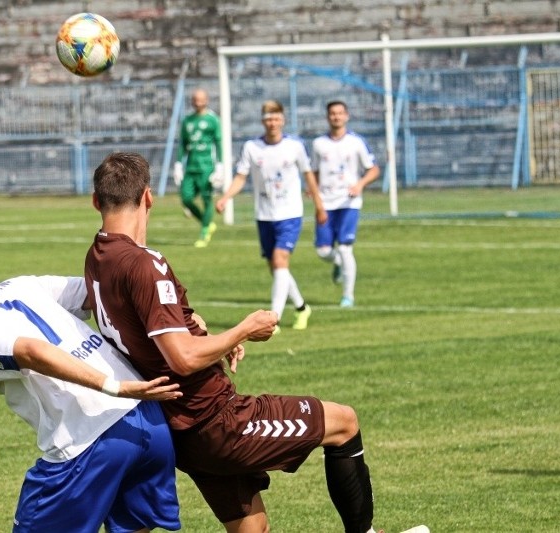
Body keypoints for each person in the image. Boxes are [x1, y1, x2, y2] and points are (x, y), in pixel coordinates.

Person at [85, 152, 384, 533]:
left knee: (251, 526)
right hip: (216, 420)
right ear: (148, 197)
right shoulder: (144, 263)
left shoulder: (97, 256)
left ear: (96, 201)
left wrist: (207, 334)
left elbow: (151, 323)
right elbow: (182, 356)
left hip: (179, 429)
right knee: (343, 422)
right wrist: (243, 329)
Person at [0, 260, 182, 533]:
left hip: (89, 440)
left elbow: (31, 352)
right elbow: (103, 292)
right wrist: (188, 321)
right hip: (149, 421)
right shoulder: (17, 285)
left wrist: (113, 386)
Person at [215, 100, 321, 332]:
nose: (272, 123)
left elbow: (309, 175)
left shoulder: (295, 146)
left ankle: (274, 319)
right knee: (276, 267)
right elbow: (241, 177)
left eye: (276, 118)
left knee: (281, 260)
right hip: (265, 214)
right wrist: (226, 197)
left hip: (290, 213)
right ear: (263, 121)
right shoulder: (252, 148)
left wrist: (319, 205)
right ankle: (302, 307)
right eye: (268, 119)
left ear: (282, 120)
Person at [310, 100, 380, 308]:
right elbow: (313, 172)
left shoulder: (356, 142)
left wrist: (360, 184)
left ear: (347, 116)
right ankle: (339, 263)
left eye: (340, 113)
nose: (336, 117)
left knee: (345, 248)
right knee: (323, 251)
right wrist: (313, 192)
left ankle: (348, 297)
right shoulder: (319, 144)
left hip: (349, 202)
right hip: (325, 202)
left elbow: (374, 169)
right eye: (333, 113)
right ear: (327, 117)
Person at [173, 88, 223, 248]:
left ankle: (204, 234)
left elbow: (218, 143)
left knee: (207, 200)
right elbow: (183, 144)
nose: (198, 102)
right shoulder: (187, 121)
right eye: (195, 99)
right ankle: (206, 223)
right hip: (191, 167)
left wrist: (219, 166)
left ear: (206, 100)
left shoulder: (213, 120)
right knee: (186, 198)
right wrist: (178, 164)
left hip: (207, 167)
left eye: (201, 99)